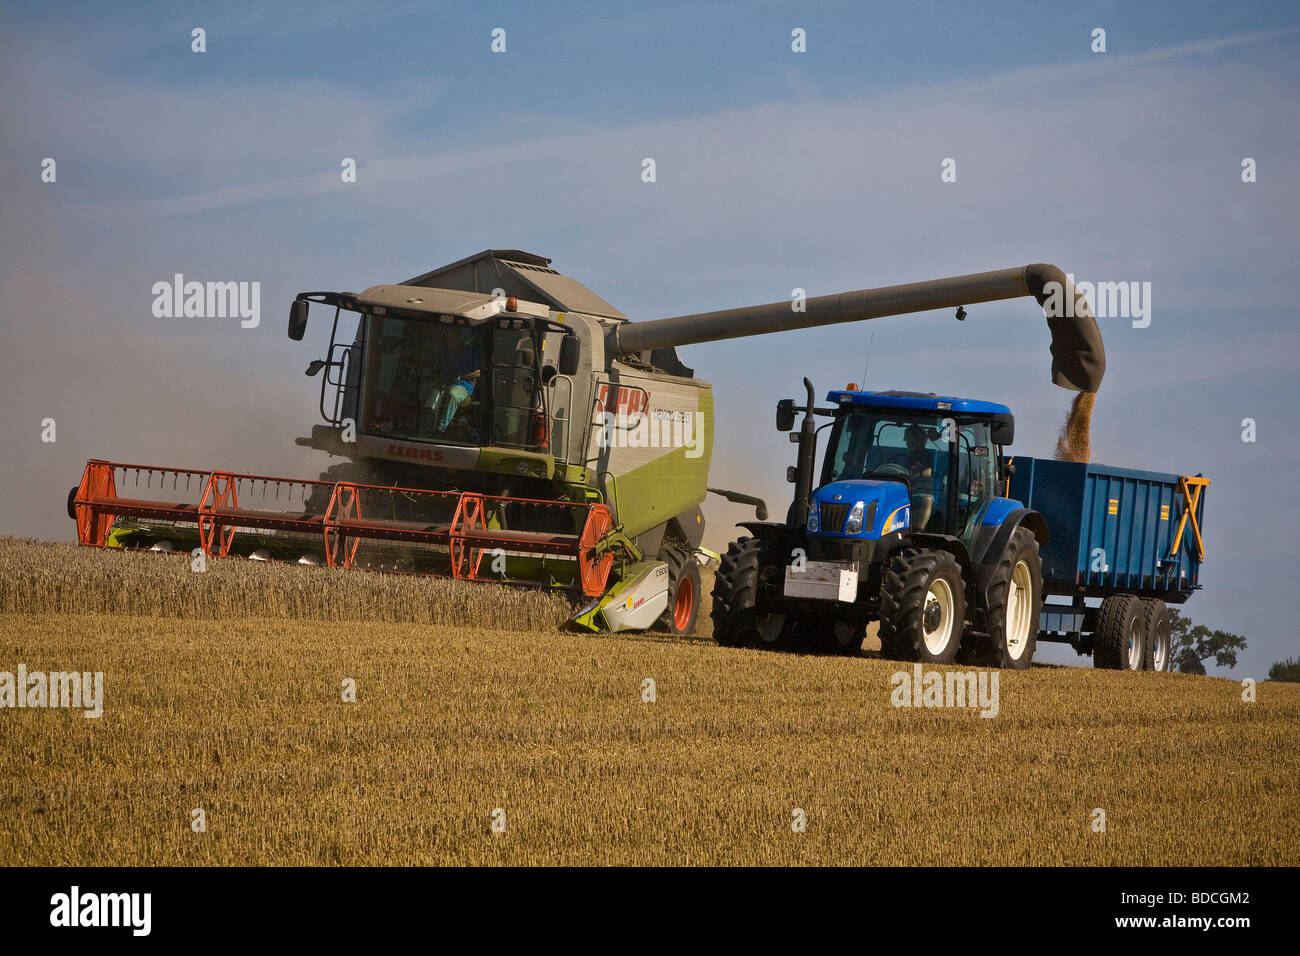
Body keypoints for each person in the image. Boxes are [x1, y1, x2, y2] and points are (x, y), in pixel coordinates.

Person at [899, 424, 934, 530]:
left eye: (908, 439)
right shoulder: (908, 456)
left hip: (922, 489)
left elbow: (927, 472)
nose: (906, 442)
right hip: (908, 488)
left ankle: (917, 531)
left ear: (917, 439)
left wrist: (910, 478)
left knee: (926, 500)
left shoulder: (925, 455)